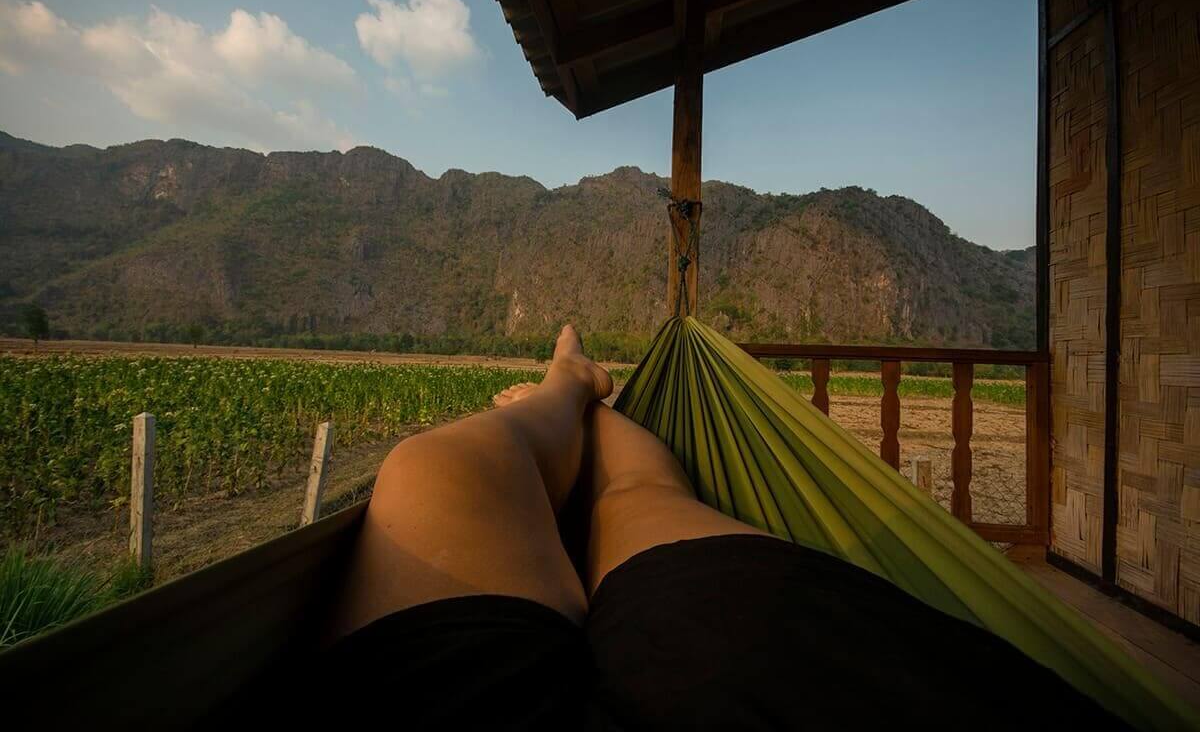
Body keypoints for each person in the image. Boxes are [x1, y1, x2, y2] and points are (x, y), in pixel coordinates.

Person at [319, 326, 1122, 729]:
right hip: (787, 671)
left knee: (434, 469)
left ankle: (561, 393)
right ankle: (577, 405)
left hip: (750, 659)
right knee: (631, 492)